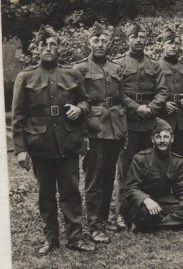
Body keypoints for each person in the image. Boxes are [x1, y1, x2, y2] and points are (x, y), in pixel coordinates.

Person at [12, 25, 95, 254]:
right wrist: (20, 149)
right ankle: (51, 239)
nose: (48, 48)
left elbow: (86, 101)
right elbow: (18, 116)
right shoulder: (25, 77)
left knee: (71, 192)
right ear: (37, 50)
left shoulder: (71, 74)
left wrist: (80, 110)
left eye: (53, 44)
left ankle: (75, 238)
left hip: (68, 143)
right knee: (45, 194)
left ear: (59, 48)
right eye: (43, 45)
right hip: (40, 145)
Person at [72, 22, 127, 243]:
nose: (100, 44)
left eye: (104, 40)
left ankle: (104, 221)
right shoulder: (80, 69)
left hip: (114, 129)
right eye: (96, 40)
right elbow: (78, 103)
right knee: (94, 180)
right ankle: (94, 226)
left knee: (108, 177)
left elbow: (121, 102)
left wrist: (122, 131)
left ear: (109, 42)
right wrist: (83, 134)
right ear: (88, 43)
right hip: (94, 130)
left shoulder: (115, 68)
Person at [113, 22, 168, 230]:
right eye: (134, 36)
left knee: (149, 168)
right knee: (125, 170)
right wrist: (136, 108)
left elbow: (162, 92)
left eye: (142, 36)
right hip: (128, 123)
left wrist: (150, 108)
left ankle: (145, 210)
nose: (138, 40)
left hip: (149, 124)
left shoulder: (155, 65)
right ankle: (120, 212)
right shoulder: (118, 64)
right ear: (128, 39)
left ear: (147, 39)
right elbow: (118, 93)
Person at [121, 118, 183, 233]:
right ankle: (156, 222)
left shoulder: (177, 161)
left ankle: (153, 225)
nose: (162, 141)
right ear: (152, 139)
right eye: (158, 137)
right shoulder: (141, 158)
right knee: (145, 212)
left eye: (166, 137)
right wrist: (147, 200)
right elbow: (131, 188)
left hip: (163, 201)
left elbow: (181, 188)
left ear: (172, 139)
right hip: (140, 203)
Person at [158, 27, 183, 157]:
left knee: (182, 156)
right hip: (164, 120)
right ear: (163, 45)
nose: (173, 47)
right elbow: (151, 93)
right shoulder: (156, 66)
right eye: (170, 43)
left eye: (176, 43)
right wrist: (163, 105)